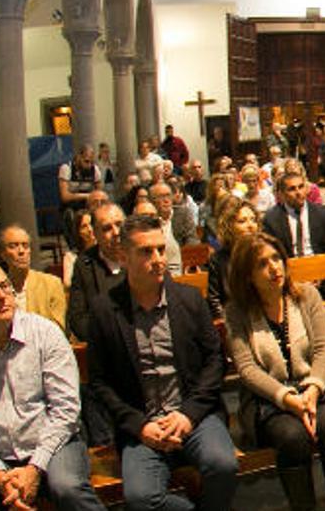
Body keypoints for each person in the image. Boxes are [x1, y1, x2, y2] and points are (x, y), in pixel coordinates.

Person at [86, 214, 237, 511]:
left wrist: (188, 415)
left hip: (193, 416)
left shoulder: (189, 299)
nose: (158, 259)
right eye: (146, 251)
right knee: (141, 500)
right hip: (143, 426)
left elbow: (215, 360)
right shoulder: (105, 310)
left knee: (222, 466)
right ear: (123, 256)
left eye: (160, 249)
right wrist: (140, 425)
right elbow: (100, 382)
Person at [224, 234, 325, 510]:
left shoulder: (307, 295)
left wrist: (313, 388)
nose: (274, 268)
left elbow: (324, 350)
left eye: (276, 258)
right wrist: (286, 398)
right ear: (247, 275)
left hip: (317, 385)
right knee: (291, 438)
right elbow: (246, 369)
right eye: (262, 264)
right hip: (268, 397)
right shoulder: (236, 312)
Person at [0, 261, 106, 511]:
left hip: (55, 446)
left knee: (67, 488)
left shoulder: (45, 334)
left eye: (5, 286)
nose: (2, 296)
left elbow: (65, 410)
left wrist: (34, 467)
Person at [262, 173, 325, 300]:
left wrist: (320, 275)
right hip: (290, 274)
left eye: (301, 187)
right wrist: (294, 278)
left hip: (320, 270)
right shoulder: (271, 219)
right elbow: (274, 256)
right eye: (292, 189)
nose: (298, 192)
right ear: (281, 194)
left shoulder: (322, 213)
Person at [66, 203, 126, 342]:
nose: (116, 232)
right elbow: (78, 319)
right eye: (107, 228)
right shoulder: (84, 265)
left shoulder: (142, 253)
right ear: (96, 234)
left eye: (119, 224)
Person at [0, 225, 68, 336]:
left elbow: (59, 330)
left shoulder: (51, 284)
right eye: (13, 246)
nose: (21, 251)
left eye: (25, 246)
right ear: (2, 254)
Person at [205, 197, 257, 320]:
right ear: (229, 226)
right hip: (235, 322)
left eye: (253, 220)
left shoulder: (265, 253)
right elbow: (214, 300)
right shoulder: (218, 259)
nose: (250, 225)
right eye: (242, 221)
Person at [59, 144, 104, 213]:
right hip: (70, 209)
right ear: (78, 157)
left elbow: (100, 194)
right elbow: (65, 197)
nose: (89, 165)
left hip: (88, 209)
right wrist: (88, 196)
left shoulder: (95, 169)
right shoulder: (66, 168)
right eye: (86, 161)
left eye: (92, 162)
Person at [63, 209, 97, 288]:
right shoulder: (71, 256)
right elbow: (67, 283)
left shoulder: (104, 251)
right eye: (84, 226)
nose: (90, 229)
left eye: (91, 224)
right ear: (78, 232)